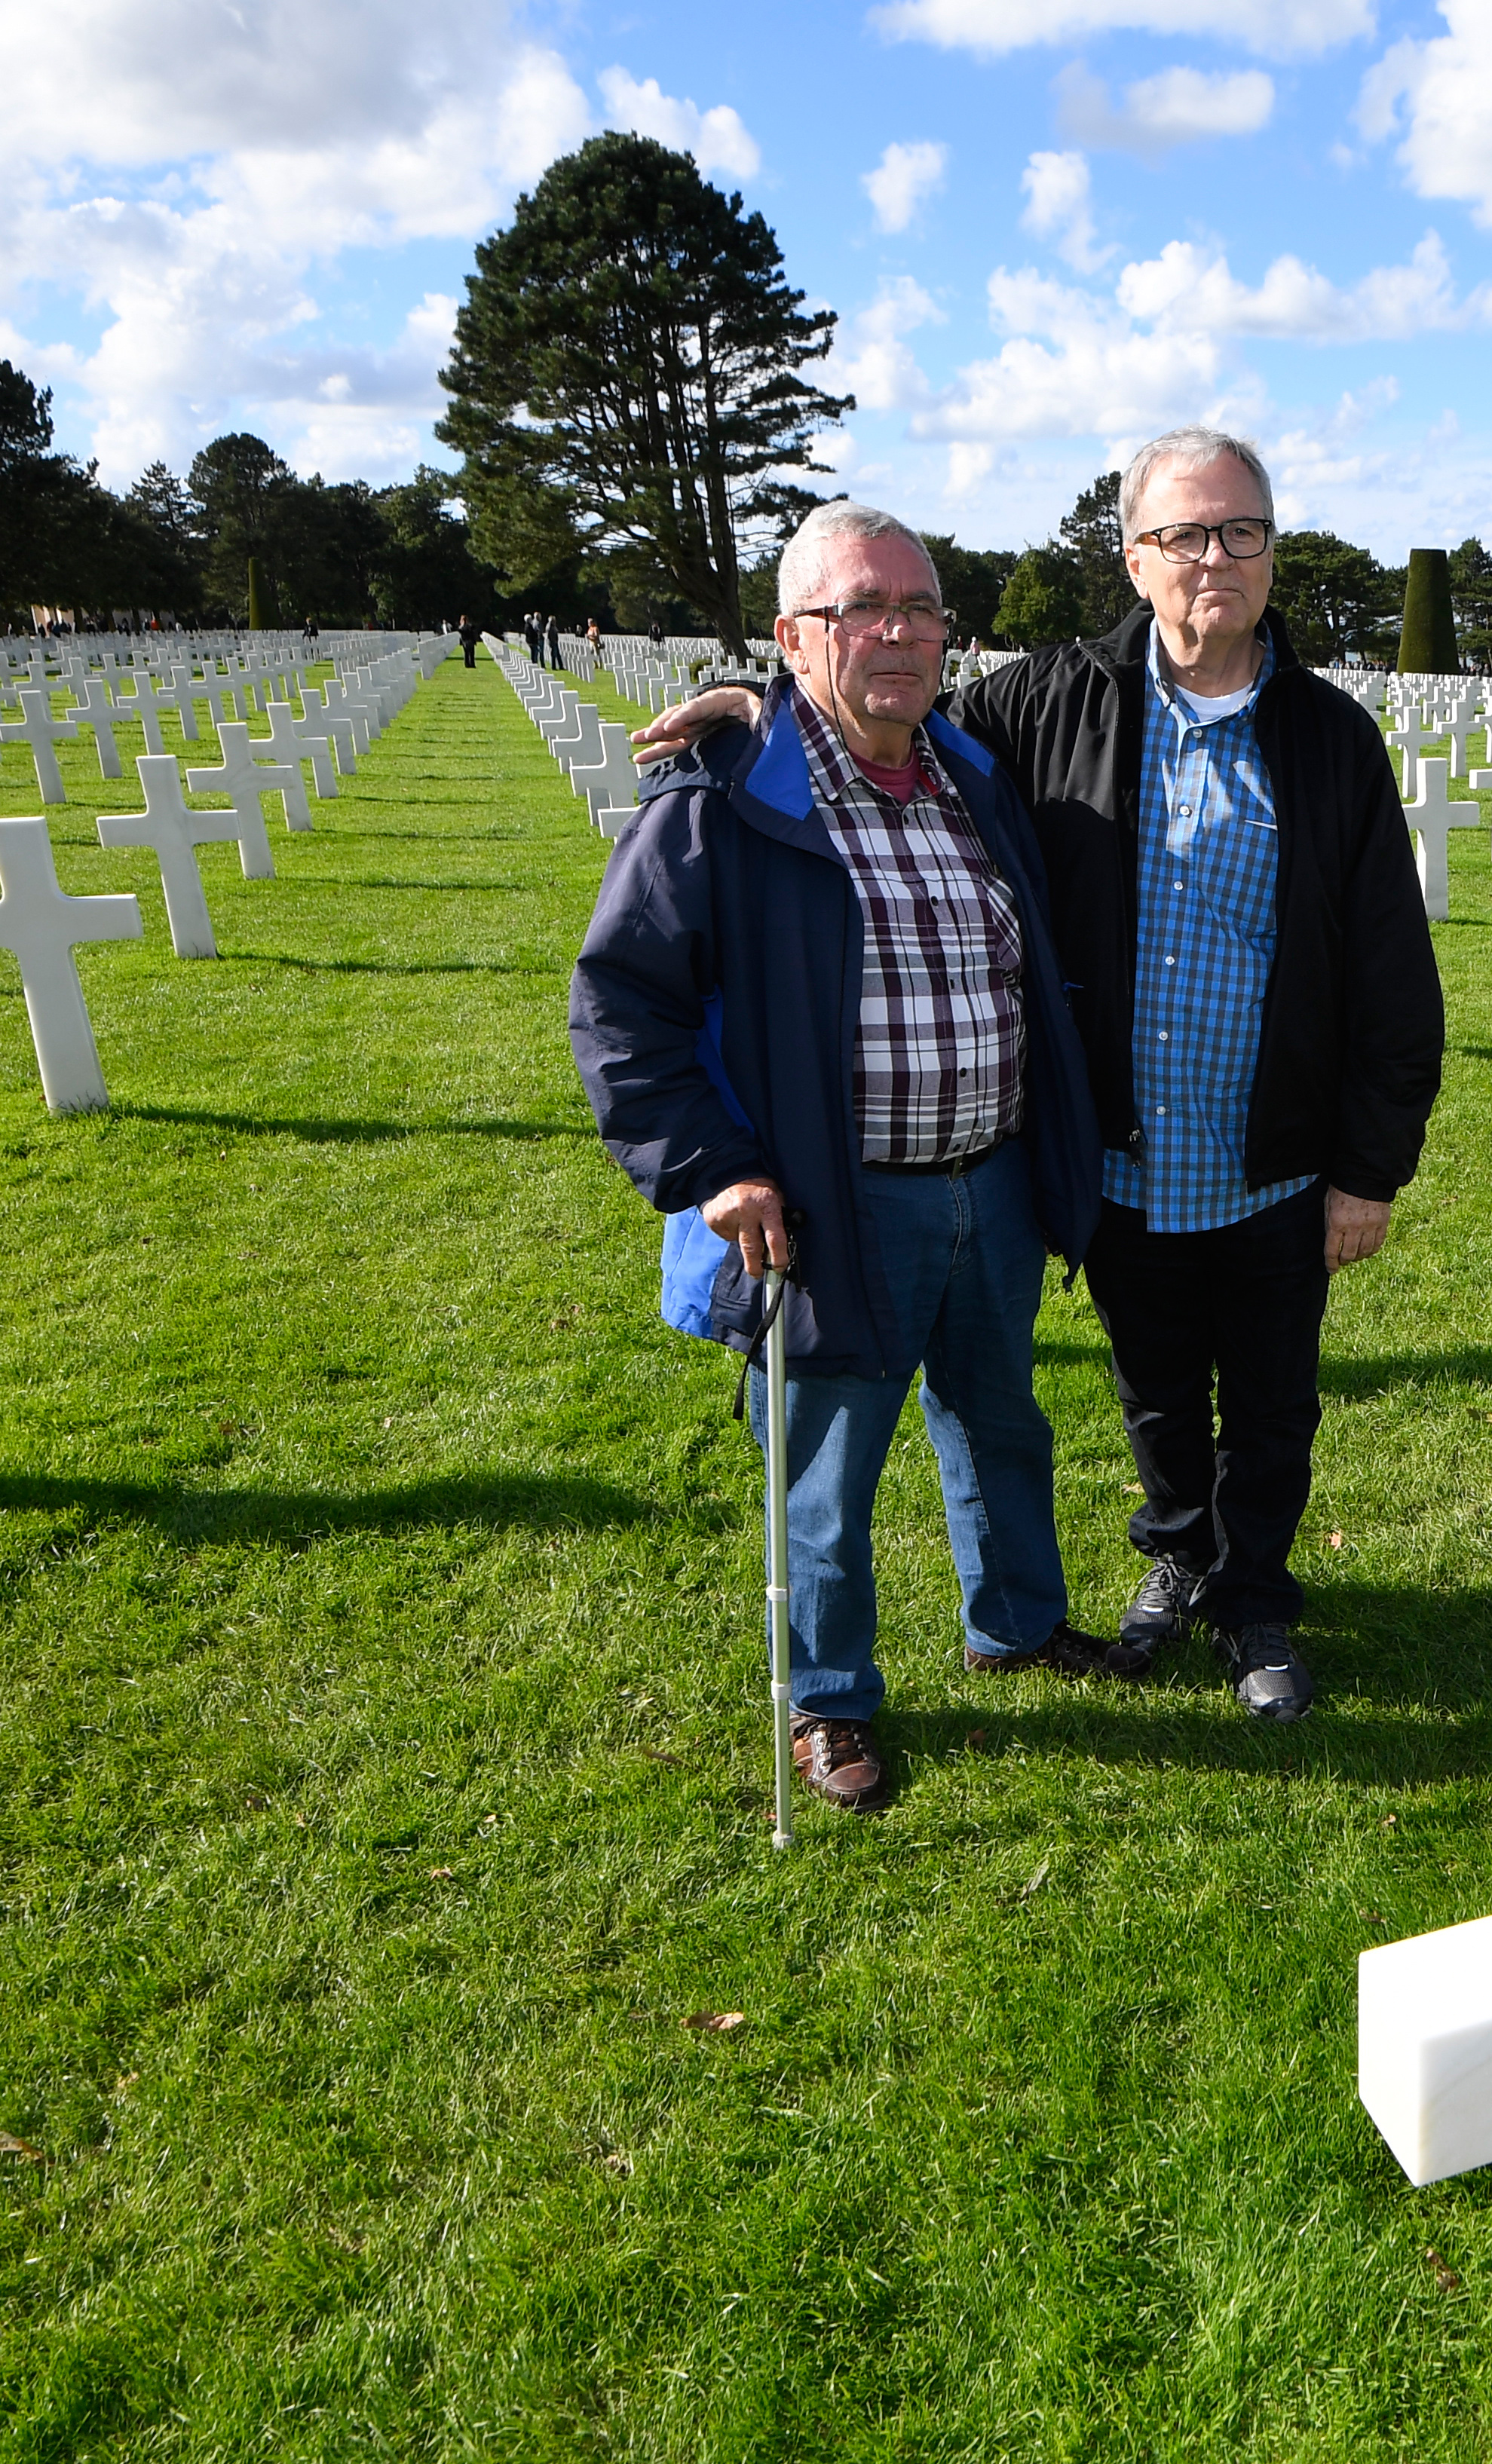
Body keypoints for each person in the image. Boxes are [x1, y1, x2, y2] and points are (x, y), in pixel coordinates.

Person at [635, 427, 1445, 1722]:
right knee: (1153, 1388)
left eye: (1243, 531)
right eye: (1185, 534)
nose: (1215, 558)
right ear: (1135, 559)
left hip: (1265, 1152)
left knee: (1261, 1395)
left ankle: (1254, 1603)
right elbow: (865, 713)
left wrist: (1368, 1165)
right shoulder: (1046, 699)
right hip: (1111, 1149)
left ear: (1273, 550)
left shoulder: (1331, 738)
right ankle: (1172, 1565)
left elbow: (1394, 971)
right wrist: (755, 706)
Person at [571, 500, 1141, 1815]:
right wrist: (714, 1163)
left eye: (920, 608)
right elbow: (620, 1002)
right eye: (858, 610)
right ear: (793, 636)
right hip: (830, 1203)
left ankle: (1018, 1621)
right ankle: (828, 1699)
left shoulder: (972, 772)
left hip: (989, 1179)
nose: (897, 633)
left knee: (1001, 1421)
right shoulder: (726, 796)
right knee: (824, 1467)